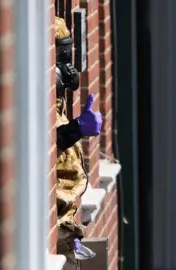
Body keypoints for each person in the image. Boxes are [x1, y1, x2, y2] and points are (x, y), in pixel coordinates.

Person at [54, 17, 102, 261]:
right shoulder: (34, 93)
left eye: (67, 53)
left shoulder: (57, 101)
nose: (67, 63)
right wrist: (76, 129)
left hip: (64, 232)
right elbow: (45, 147)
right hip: (52, 237)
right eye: (60, 54)